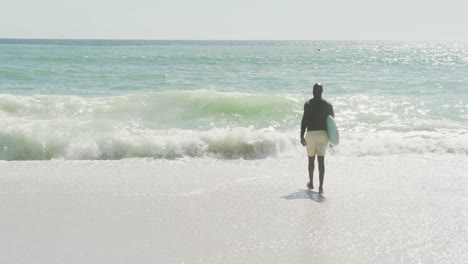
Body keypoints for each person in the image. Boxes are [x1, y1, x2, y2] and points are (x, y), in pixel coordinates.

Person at [300, 83, 334, 194]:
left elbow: (304, 120)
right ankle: (321, 187)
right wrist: (332, 139)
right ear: (322, 91)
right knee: (321, 161)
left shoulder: (308, 104)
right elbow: (332, 124)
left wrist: (301, 135)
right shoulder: (328, 105)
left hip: (311, 134)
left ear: (313, 91)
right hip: (323, 134)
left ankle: (311, 183)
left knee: (311, 160)